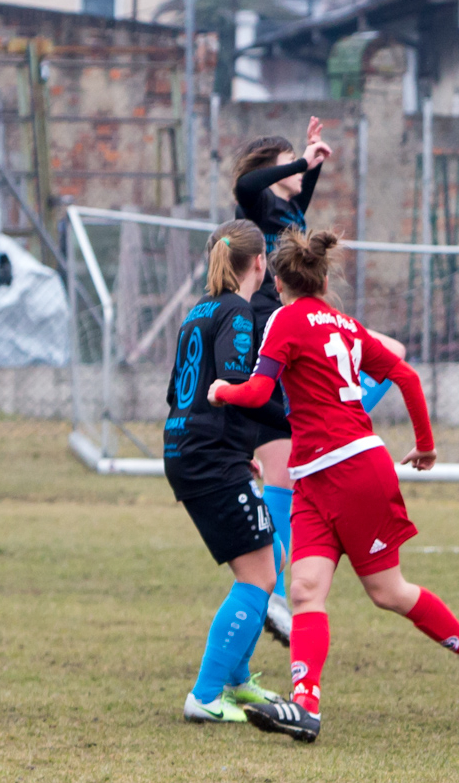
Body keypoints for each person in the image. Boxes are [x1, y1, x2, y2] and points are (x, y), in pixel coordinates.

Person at [209, 230, 459, 742]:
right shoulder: (345, 324)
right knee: (304, 590)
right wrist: (426, 444)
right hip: (312, 479)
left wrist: (221, 391)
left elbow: (258, 392)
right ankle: (306, 707)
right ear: (324, 281)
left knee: (387, 591)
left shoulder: (284, 319)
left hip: (350, 469)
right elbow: (407, 377)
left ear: (279, 282)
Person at [164, 220, 292, 724]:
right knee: (260, 573)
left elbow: (181, 394)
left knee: (270, 557)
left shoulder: (198, 311)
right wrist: (293, 418)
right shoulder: (239, 312)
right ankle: (206, 693)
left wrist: (237, 447)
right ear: (259, 263)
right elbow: (238, 384)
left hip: (195, 449)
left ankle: (237, 683)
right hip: (208, 455)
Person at [231, 123, 332, 644]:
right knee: (286, 470)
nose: (296, 166)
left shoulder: (290, 212)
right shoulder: (259, 207)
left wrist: (310, 164)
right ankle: (267, 589)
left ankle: (267, 589)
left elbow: (297, 199)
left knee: (287, 470)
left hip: (288, 337)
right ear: (273, 169)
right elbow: (249, 186)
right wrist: (296, 164)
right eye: (286, 161)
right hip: (271, 341)